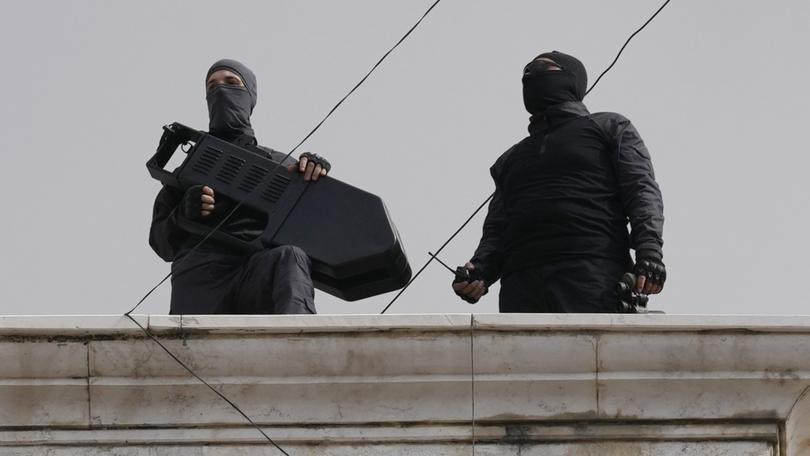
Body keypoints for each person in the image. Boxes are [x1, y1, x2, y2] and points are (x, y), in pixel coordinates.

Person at [452, 51, 666, 313]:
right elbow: (497, 230)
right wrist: (480, 271)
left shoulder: (608, 126)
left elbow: (642, 190)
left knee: (590, 353)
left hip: (592, 273)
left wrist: (650, 251)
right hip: (520, 286)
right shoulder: (510, 159)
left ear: (572, 79)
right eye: (527, 71)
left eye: (543, 68)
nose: (530, 74)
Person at [149, 59, 331, 315]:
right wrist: (183, 216)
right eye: (212, 87)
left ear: (250, 95)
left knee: (291, 257)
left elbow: (319, 230)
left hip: (258, 272)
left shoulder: (282, 165)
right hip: (201, 278)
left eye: (231, 82)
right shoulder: (188, 169)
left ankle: (299, 344)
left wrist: (316, 179)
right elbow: (160, 243)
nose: (220, 90)